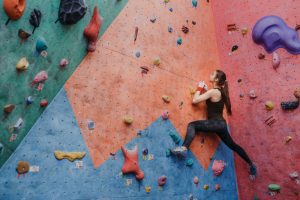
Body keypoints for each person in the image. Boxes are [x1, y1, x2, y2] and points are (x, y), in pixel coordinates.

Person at [171, 69, 257, 177]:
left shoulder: (214, 92)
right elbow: (211, 98)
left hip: (216, 123)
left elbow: (195, 100)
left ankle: (183, 148)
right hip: (220, 124)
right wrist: (206, 89)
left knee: (192, 125)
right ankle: (251, 164)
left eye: (213, 74)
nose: (210, 75)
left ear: (216, 79)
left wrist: (199, 87)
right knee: (233, 145)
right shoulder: (218, 91)